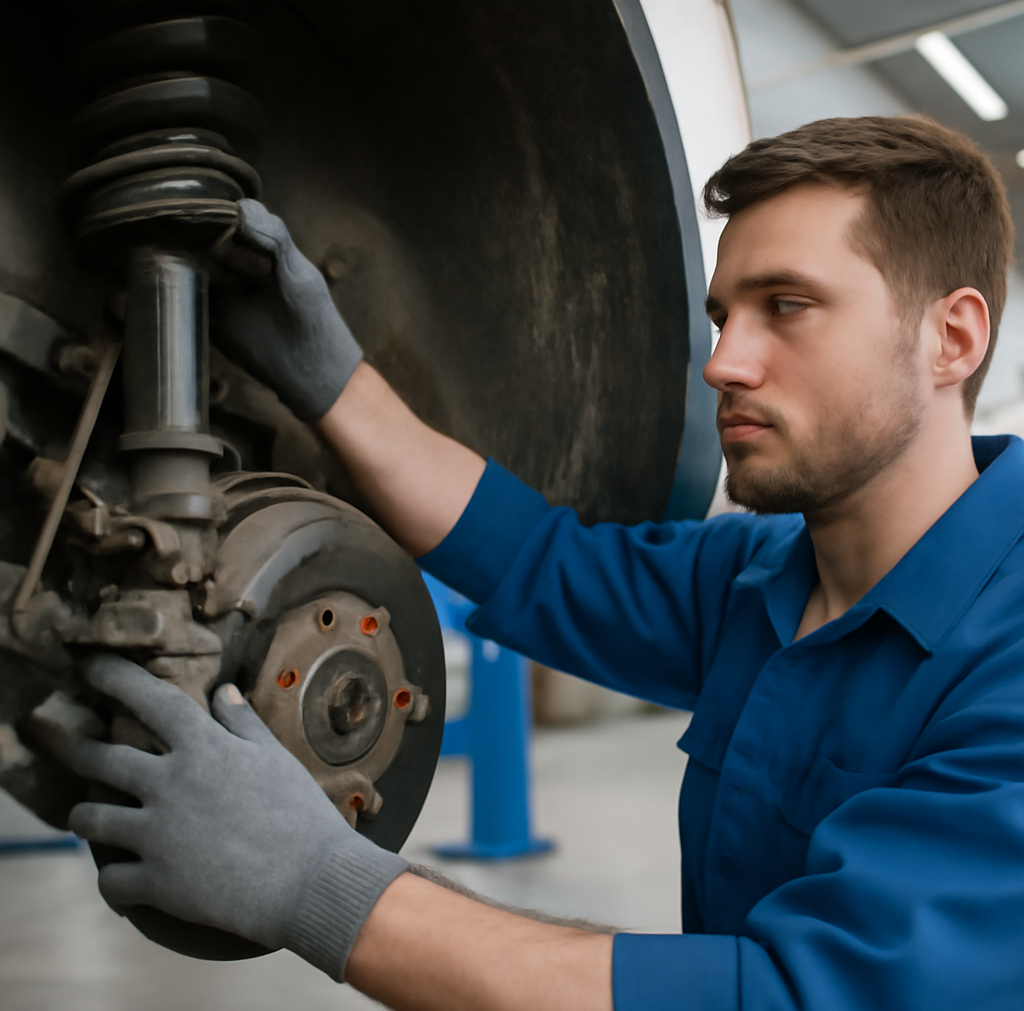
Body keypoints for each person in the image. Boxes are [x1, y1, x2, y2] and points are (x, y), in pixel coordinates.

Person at [66, 114, 1024, 1011]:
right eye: (726, 314)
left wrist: (320, 886)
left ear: (954, 337)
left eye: (789, 305)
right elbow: (536, 558)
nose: (724, 361)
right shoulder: (767, 575)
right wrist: (335, 384)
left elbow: (789, 994)